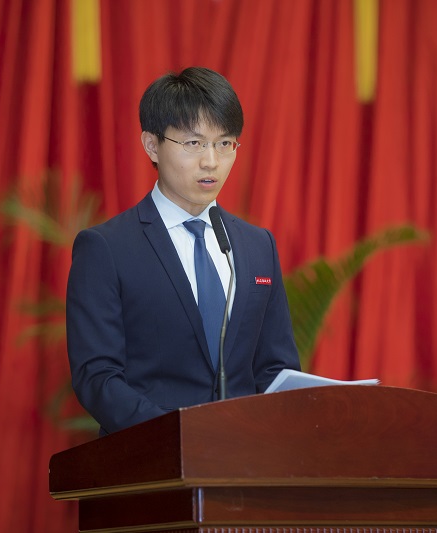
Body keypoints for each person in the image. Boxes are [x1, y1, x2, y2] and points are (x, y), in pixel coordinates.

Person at [66, 66, 300, 436]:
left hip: (245, 459)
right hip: (152, 456)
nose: (211, 161)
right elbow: (98, 377)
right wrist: (177, 435)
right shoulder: (107, 248)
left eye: (225, 143)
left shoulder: (258, 246)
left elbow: (275, 368)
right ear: (152, 145)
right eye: (194, 143)